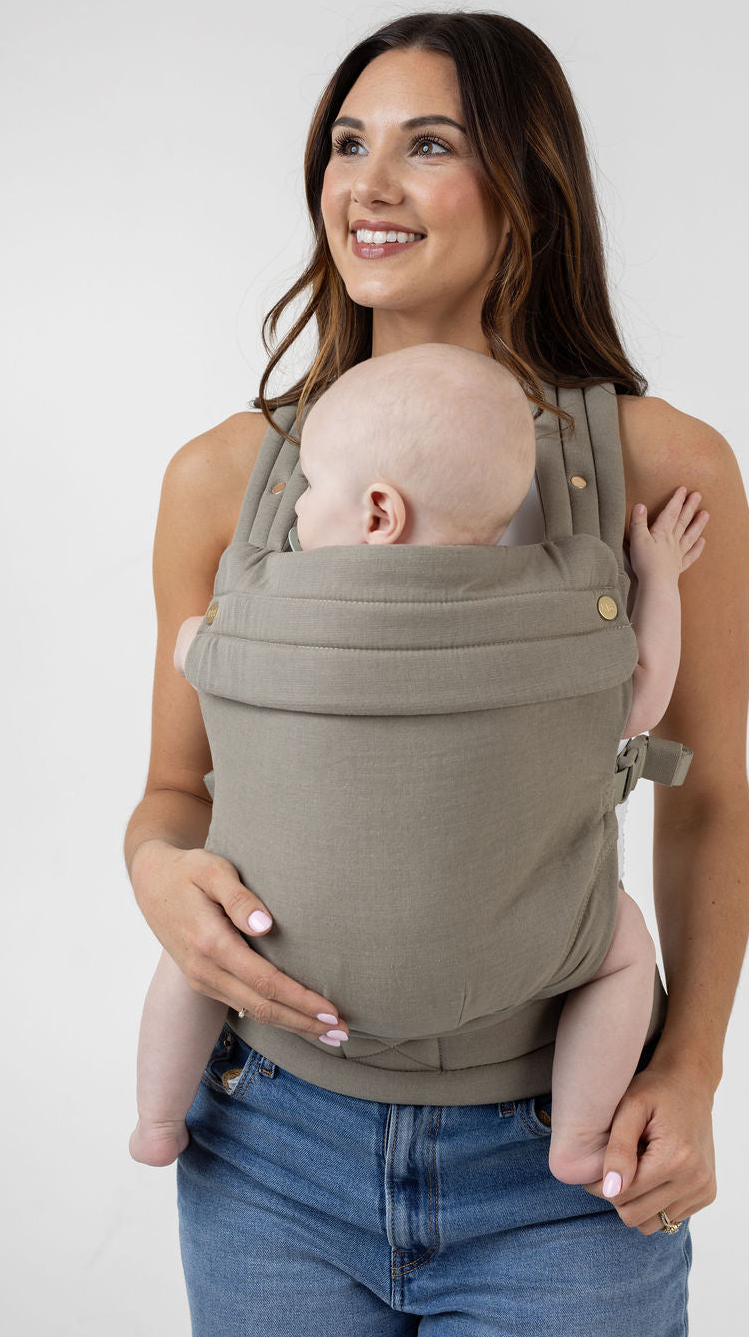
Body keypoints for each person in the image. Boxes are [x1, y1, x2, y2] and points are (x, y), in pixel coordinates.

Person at [124, 10, 749, 1337]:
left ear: (525, 184)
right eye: (347, 143)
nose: (369, 182)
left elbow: (706, 797)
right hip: (270, 1151)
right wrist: (158, 878)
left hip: (560, 1166)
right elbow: (174, 792)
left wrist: (690, 1068)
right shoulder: (219, 481)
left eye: (427, 144)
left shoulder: (659, 468)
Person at [128, 343, 709, 1192]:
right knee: (622, 950)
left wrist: (199, 643)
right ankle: (582, 1138)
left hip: (283, 950)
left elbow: (192, 655)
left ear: (377, 513)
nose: (297, 510)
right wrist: (657, 575)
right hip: (524, 971)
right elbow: (645, 699)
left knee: (197, 951)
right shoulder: (559, 629)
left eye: (314, 486)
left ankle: (154, 1118)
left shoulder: (263, 622)